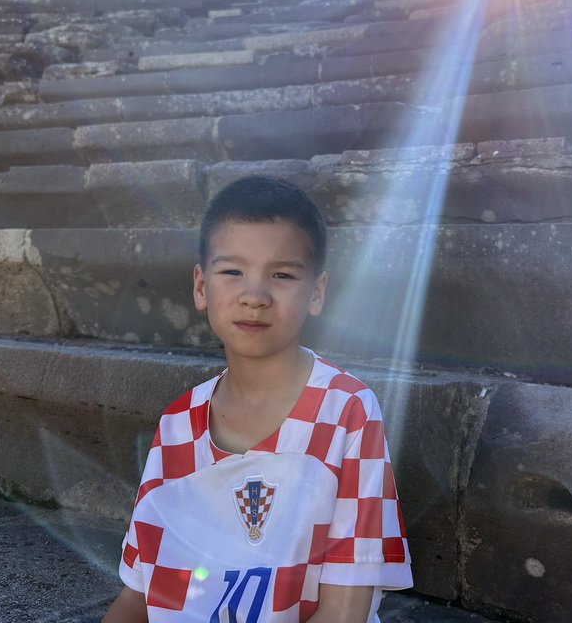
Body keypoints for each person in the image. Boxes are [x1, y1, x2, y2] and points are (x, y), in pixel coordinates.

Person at [101, 176, 413, 623]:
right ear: (201, 286)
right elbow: (139, 596)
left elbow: (345, 608)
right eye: (232, 271)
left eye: (282, 275)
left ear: (317, 292)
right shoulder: (178, 423)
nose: (255, 296)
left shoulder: (346, 411)